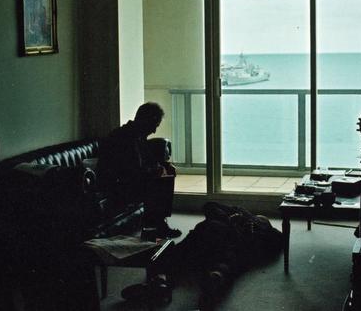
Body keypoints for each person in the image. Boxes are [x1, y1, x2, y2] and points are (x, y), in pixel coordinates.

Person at [121, 202, 283, 308]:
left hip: (216, 234)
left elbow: (276, 242)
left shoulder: (262, 228)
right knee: (227, 258)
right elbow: (209, 206)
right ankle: (214, 276)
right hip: (216, 233)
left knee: (180, 253)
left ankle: (162, 280)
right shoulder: (241, 214)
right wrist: (232, 215)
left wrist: (244, 224)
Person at [96, 102, 181, 239]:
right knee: (158, 183)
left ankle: (157, 224)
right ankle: (156, 225)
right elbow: (130, 171)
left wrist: (164, 165)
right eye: (155, 125)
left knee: (162, 178)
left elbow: (146, 160)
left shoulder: (136, 136)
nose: (154, 131)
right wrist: (154, 171)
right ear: (147, 120)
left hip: (124, 181)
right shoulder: (123, 138)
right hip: (115, 185)